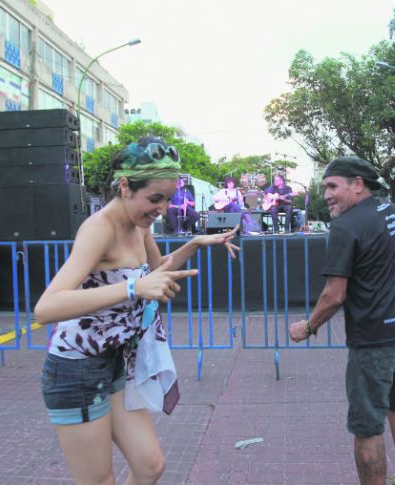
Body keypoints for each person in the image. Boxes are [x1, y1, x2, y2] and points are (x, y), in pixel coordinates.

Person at [34, 137, 240, 484]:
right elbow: (46, 308)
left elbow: (157, 271)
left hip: (114, 365)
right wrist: (132, 288)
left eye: (167, 200)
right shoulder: (100, 228)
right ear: (126, 186)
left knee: (150, 467)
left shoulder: (139, 225)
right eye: (155, 198)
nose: (162, 209)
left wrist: (193, 244)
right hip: (76, 372)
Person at [288, 156, 395, 485]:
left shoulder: (345, 226)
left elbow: (334, 295)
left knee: (367, 428)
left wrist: (307, 327)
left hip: (376, 341)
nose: (327, 195)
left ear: (358, 185)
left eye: (333, 186)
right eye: (325, 188)